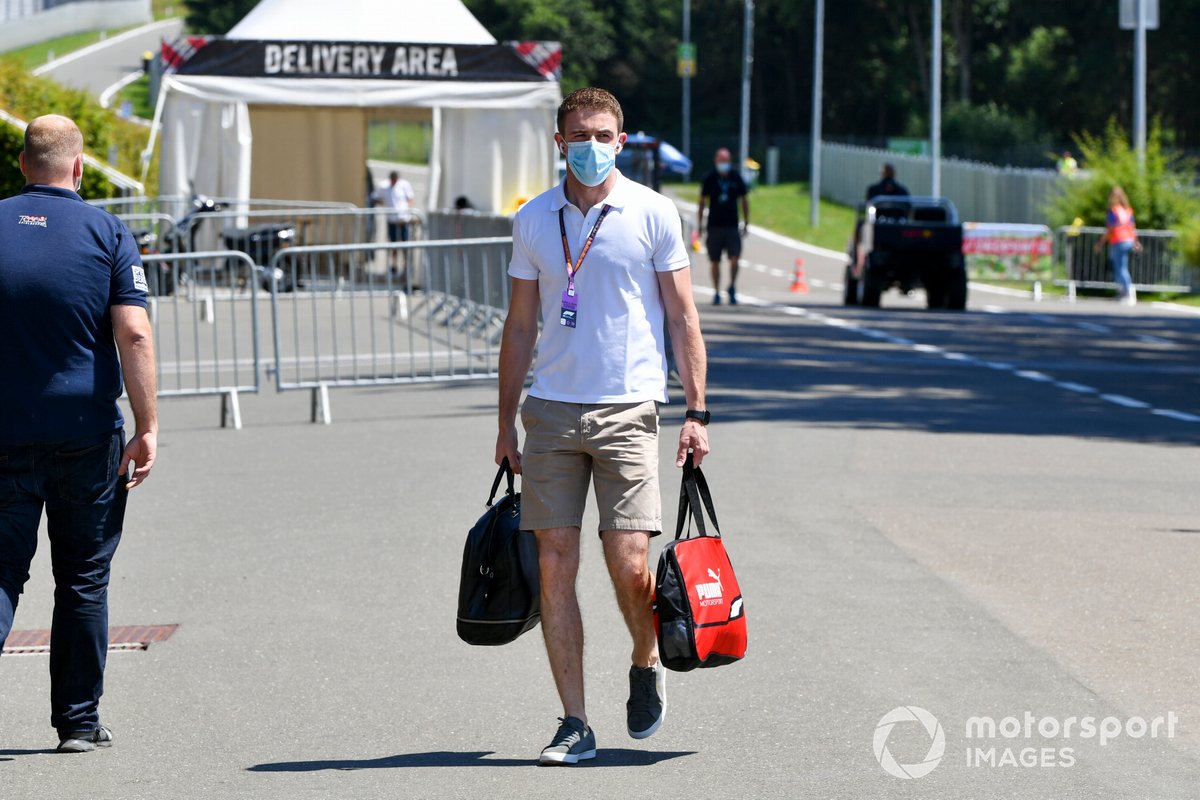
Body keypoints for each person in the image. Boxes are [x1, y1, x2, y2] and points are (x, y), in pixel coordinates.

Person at [496, 87, 709, 766]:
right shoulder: (532, 219)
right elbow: (521, 324)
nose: (591, 145)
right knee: (554, 565)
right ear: (559, 143)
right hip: (551, 412)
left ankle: (645, 657)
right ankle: (574, 721)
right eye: (579, 135)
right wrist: (505, 421)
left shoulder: (651, 212)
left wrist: (696, 412)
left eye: (603, 134)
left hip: (628, 410)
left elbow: (681, 318)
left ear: (623, 140)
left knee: (630, 564)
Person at [0, 115, 157, 753]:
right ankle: (79, 723)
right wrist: (148, 426)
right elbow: (135, 333)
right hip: (87, 432)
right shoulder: (108, 231)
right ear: (80, 166)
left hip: (3, 431)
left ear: (21, 164)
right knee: (84, 577)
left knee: (1, 572)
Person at [697, 148, 749, 305]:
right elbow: (702, 201)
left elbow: (744, 199)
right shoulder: (710, 178)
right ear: (716, 161)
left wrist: (746, 221)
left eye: (726, 161)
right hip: (714, 226)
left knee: (735, 257)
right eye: (721, 161)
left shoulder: (736, 177)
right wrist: (700, 224)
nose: (723, 164)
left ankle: (732, 286)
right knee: (715, 260)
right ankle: (716, 291)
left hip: (732, 225)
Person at [1101, 186, 1141, 305]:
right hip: (1128, 239)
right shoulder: (1127, 210)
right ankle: (1125, 290)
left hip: (1119, 240)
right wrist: (1136, 241)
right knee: (1122, 266)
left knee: (1120, 267)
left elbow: (1110, 229)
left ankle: (1126, 290)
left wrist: (1101, 242)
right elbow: (1132, 228)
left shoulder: (1114, 211)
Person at [370, 170, 416, 274]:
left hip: (404, 220)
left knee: (405, 244)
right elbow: (375, 198)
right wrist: (384, 203)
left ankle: (406, 265)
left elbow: (411, 198)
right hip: (392, 220)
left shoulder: (404, 185)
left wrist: (407, 208)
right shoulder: (384, 186)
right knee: (393, 244)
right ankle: (394, 265)